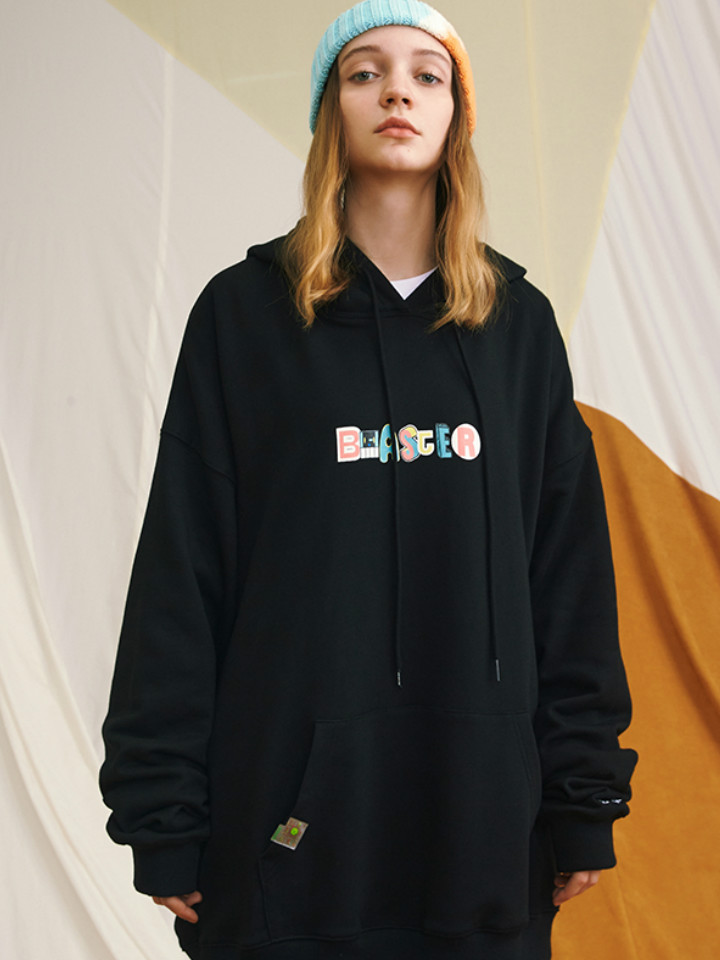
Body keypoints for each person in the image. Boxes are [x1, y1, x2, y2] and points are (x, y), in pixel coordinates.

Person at [99, 2, 638, 958]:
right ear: (330, 113)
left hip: (481, 843)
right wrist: (163, 813)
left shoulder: (518, 329)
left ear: (457, 116)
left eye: (427, 74)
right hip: (287, 843)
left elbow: (570, 581)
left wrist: (583, 795)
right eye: (364, 72)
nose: (397, 91)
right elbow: (181, 576)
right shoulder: (243, 316)